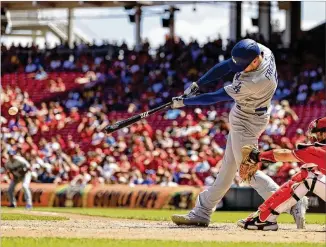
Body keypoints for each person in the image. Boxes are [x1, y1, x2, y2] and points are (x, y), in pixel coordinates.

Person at [170, 39, 307, 228]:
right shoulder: (263, 51)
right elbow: (226, 66)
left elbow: (216, 97)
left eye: (243, 66)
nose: (239, 69)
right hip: (247, 114)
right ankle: (202, 212)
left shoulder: (256, 81)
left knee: (247, 172)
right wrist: (198, 83)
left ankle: (292, 201)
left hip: (248, 121)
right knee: (227, 171)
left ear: (254, 62)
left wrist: (185, 103)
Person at [237, 117, 326, 230]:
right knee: (310, 170)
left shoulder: (318, 150)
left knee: (307, 174)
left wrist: (257, 156)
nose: (315, 138)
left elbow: (283, 154)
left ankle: (264, 219)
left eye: (317, 134)